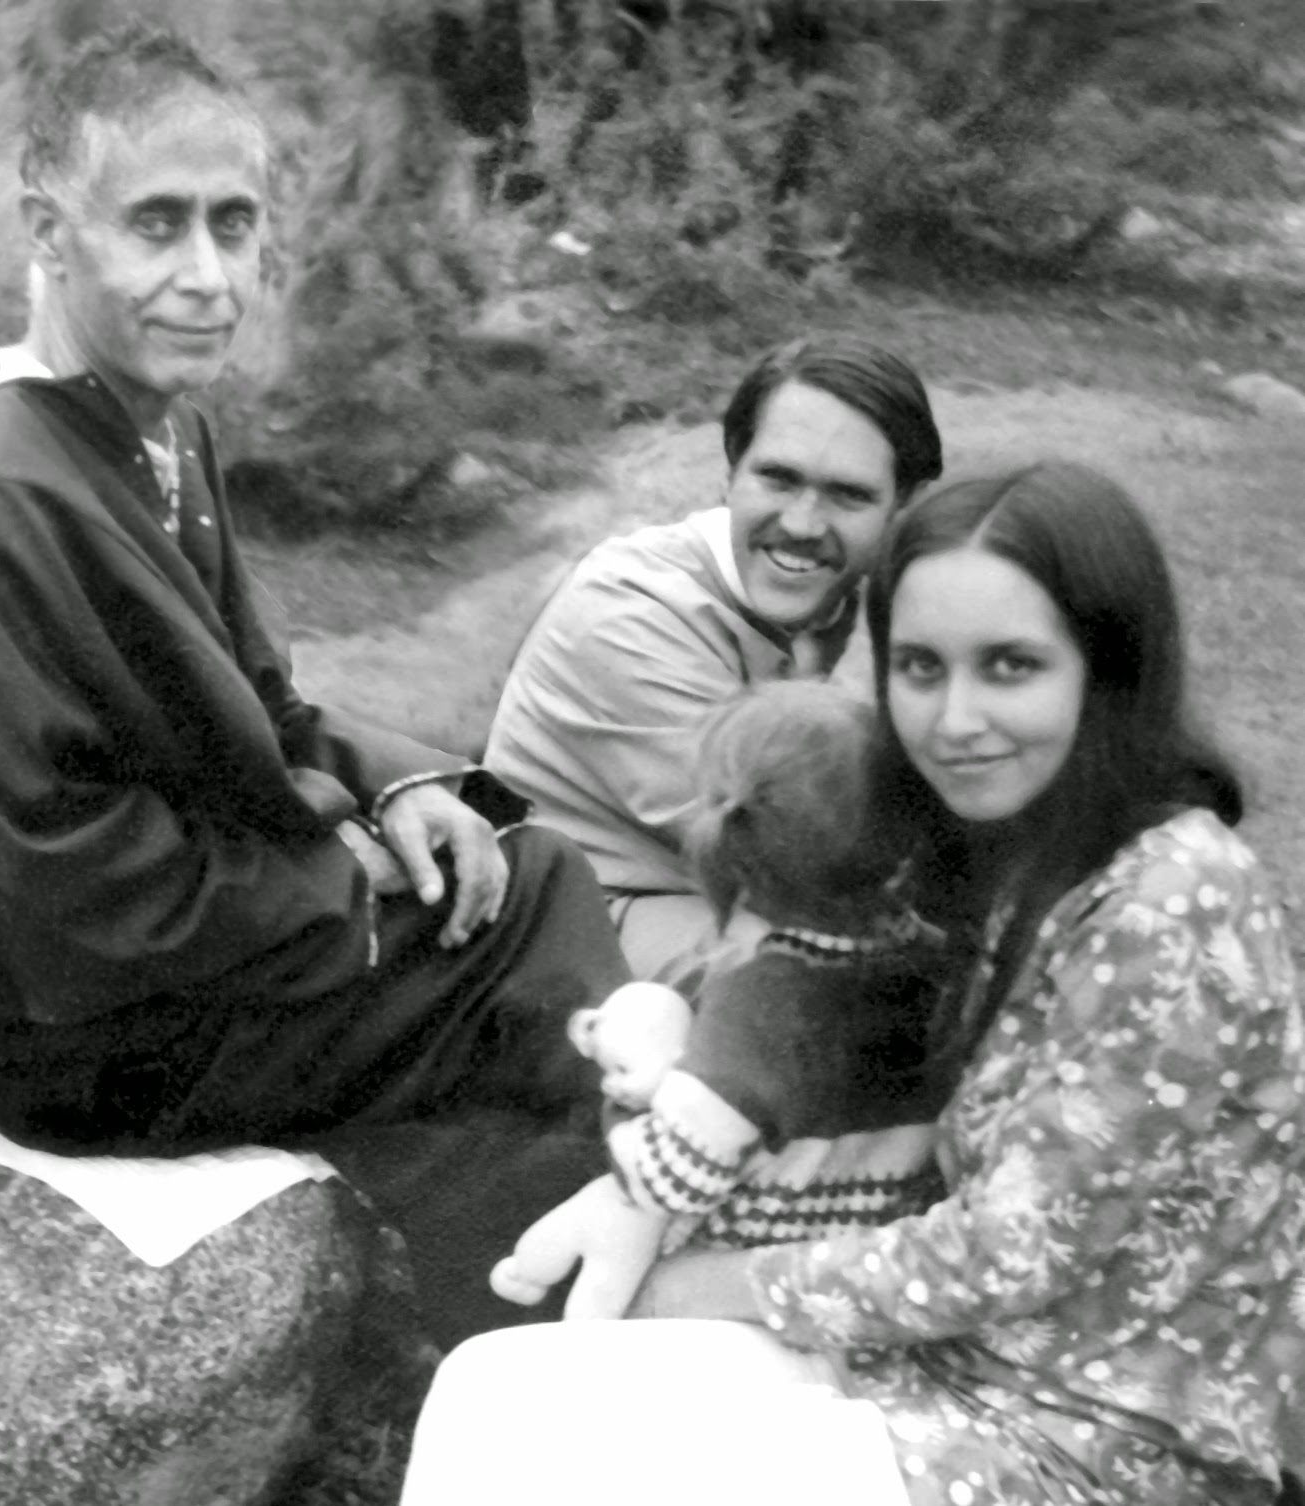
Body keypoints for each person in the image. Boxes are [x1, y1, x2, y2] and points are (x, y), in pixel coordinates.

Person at [0, 24, 627, 1343]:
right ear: (50, 229)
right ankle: (570, 1316)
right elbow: (54, 898)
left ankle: (519, 1302)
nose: (207, 276)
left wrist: (394, 783)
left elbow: (254, 701)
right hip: (70, 1035)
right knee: (524, 922)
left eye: (233, 226)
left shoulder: (151, 429)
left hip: (163, 959)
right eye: (157, 224)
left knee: (492, 872)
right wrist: (336, 874)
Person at [400, 461, 1305, 1506]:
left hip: (1103, 1443)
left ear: (1109, 670)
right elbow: (811, 1009)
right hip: (944, 1366)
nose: (954, 718)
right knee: (495, 1396)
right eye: (920, 668)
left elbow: (1015, 1250)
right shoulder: (1007, 843)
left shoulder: (1170, 900)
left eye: (1010, 666)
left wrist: (712, 1286)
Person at [488, 681, 951, 1321]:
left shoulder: (762, 1000)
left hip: (744, 1279)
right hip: (877, 1258)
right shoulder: (935, 957)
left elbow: (674, 1177)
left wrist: (632, 1098)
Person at [484, 334, 944, 977]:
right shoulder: (628, 613)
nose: (804, 524)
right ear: (731, 470)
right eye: (778, 479)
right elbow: (808, 849)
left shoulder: (853, 598)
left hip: (729, 903)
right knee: (843, 973)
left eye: (848, 495)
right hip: (578, 925)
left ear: (905, 507)